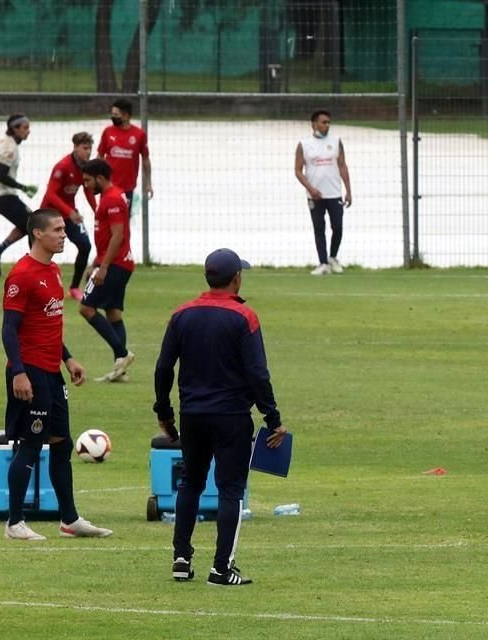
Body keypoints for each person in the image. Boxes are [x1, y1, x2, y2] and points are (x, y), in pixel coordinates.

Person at [153, 248, 287, 586]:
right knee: (230, 490)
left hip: (192, 415)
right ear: (236, 278)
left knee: (191, 483)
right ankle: (221, 569)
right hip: (231, 417)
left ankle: (181, 559)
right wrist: (273, 418)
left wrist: (165, 413)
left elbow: (163, 368)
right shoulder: (245, 318)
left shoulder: (181, 315)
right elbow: (258, 373)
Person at [1, 207, 113, 540]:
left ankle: (69, 520)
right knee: (32, 444)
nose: (64, 235)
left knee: (62, 445)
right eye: (58, 230)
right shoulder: (21, 275)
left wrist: (68, 358)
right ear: (38, 234)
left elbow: (48, 324)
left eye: (64, 229)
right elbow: (9, 330)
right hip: (29, 372)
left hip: (52, 372)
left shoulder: (53, 271)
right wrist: (19, 373)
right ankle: (14, 522)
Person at [78, 159, 135, 383]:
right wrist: (95, 261)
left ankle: (122, 354)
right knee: (113, 312)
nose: (86, 185)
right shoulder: (113, 196)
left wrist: (102, 267)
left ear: (100, 178)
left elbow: (118, 235)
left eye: (88, 180)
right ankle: (120, 369)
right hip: (118, 262)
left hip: (115, 264)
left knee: (86, 308)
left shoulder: (112, 199)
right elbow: (107, 236)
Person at [294, 109, 353, 275]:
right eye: (323, 122)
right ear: (314, 124)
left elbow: (342, 166)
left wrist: (348, 190)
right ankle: (323, 263)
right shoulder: (304, 144)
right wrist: (311, 189)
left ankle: (333, 257)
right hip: (315, 195)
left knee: (338, 226)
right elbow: (298, 170)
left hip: (334, 193)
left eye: (328, 122)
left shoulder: (336, 142)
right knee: (319, 228)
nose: (327, 125)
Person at [41, 132, 97, 301]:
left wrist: (98, 211)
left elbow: (88, 191)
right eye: (84, 148)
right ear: (75, 147)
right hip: (50, 214)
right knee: (43, 252)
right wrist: (70, 212)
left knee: (85, 245)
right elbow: (50, 194)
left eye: (90, 148)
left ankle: (74, 288)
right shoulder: (62, 167)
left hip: (69, 214)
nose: (88, 152)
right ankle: (41, 287)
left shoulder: (85, 167)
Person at [0, 114, 39, 277]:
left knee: (28, 224)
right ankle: (36, 267)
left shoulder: (9, 143)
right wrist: (23, 187)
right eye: (25, 128)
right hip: (0, 195)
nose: (28, 131)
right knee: (34, 225)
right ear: (15, 129)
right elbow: (1, 176)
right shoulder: (9, 147)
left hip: (2, 194)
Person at [98, 98, 152, 204]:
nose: (113, 117)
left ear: (126, 116)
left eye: (116, 114)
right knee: (106, 217)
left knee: (124, 218)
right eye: (112, 114)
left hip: (128, 187)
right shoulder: (107, 132)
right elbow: (99, 157)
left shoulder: (139, 134)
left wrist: (148, 183)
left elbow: (145, 160)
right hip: (108, 185)